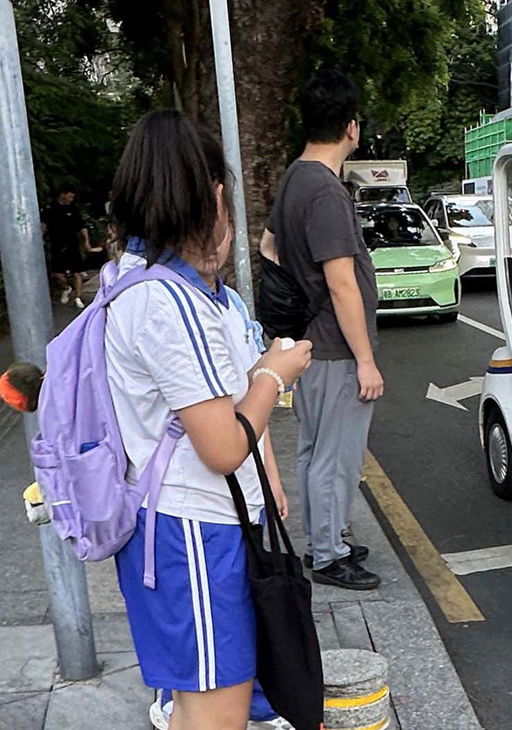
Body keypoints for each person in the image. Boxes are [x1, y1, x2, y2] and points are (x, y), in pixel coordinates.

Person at [106, 110, 313, 729]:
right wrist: (276, 374)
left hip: (196, 525)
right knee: (216, 713)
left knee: (207, 702)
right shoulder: (167, 304)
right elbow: (222, 445)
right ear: (214, 197)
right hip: (192, 529)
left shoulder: (156, 286)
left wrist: (268, 482)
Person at [265, 68, 383, 590]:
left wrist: (297, 296)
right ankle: (329, 554)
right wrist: (366, 360)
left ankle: (324, 536)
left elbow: (269, 248)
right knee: (336, 457)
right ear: (351, 128)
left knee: (315, 449)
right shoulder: (328, 192)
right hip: (337, 346)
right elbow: (342, 283)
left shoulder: (294, 177)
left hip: (311, 340)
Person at [41, 186, 101, 309]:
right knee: (57, 273)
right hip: (56, 244)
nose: (71, 199)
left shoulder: (73, 209)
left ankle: (78, 297)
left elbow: (81, 226)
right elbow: (43, 225)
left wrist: (86, 242)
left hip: (72, 243)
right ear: (63, 194)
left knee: (77, 272)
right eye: (69, 196)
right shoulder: (50, 208)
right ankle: (66, 287)